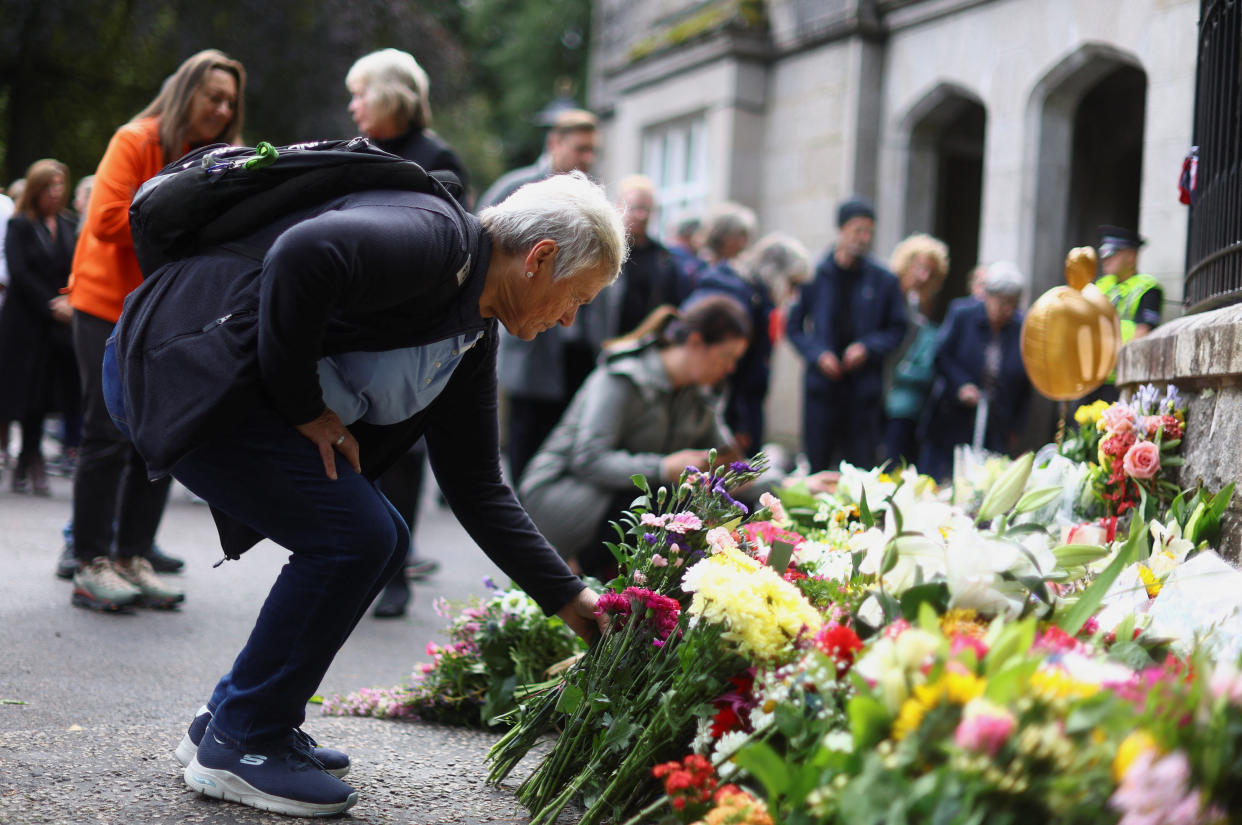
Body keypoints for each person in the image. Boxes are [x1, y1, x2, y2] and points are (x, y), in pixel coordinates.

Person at [107, 170, 624, 816]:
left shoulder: (475, 326)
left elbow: (476, 484)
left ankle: (236, 716)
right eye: (575, 297)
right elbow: (305, 254)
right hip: (177, 364)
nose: (570, 318)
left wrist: (570, 598)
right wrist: (304, 408)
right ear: (539, 258)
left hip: (217, 380)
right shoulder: (439, 243)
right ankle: (243, 742)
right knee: (357, 535)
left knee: (381, 538)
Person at [60, 49, 245, 607]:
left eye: (230, 101)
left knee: (161, 436)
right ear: (185, 92)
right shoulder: (137, 140)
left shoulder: (217, 154)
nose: (221, 107)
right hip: (105, 305)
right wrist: (192, 214)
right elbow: (109, 219)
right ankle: (91, 562)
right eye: (213, 96)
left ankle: (131, 557)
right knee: (106, 432)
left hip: (164, 313)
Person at [345, 46, 472, 617]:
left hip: (409, 325)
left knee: (400, 449)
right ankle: (358, 558)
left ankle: (395, 571)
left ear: (391, 95)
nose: (353, 106)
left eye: (360, 93)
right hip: (355, 320)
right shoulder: (358, 151)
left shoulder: (436, 158)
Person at [520, 294, 750, 578]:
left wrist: (794, 484)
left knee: (713, 502)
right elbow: (588, 459)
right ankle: (574, 579)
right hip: (561, 495)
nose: (730, 369)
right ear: (696, 343)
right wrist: (663, 467)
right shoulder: (623, 377)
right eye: (727, 357)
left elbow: (733, 463)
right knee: (657, 500)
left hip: (614, 506)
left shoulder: (699, 395)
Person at [476, 109, 601, 482]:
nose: (587, 159)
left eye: (593, 151)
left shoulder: (591, 197)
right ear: (554, 143)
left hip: (576, 351)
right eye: (581, 148)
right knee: (527, 437)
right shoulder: (517, 187)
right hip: (530, 344)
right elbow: (483, 251)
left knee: (562, 444)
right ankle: (526, 505)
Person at [786, 195, 907, 471]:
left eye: (869, 232)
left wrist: (867, 347)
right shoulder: (813, 273)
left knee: (861, 468)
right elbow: (793, 326)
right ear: (841, 230)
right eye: (857, 230)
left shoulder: (884, 279)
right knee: (818, 465)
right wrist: (817, 354)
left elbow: (898, 329)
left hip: (863, 393)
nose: (863, 238)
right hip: (822, 388)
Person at [685, 229, 810, 453]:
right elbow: (715, 371)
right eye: (792, 285)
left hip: (738, 409)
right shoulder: (735, 295)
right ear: (776, 273)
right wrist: (738, 423)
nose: (793, 295)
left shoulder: (754, 296)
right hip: (720, 414)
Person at [0, 159, 79, 495]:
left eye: (60, 185)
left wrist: (70, 300)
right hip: (24, 322)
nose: (55, 192)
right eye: (49, 186)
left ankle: (31, 458)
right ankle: (20, 457)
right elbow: (19, 271)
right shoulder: (20, 225)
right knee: (17, 390)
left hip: (54, 327)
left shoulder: (66, 224)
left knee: (43, 392)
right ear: (36, 189)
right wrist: (51, 304)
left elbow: (75, 265)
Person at [919, 262, 1031, 482]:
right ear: (987, 297)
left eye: (1013, 304)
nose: (1007, 310)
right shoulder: (962, 314)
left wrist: (1015, 425)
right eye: (1002, 302)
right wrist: (961, 385)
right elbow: (941, 356)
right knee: (943, 480)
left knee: (985, 482)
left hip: (996, 420)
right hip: (954, 416)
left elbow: (1024, 382)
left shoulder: (1021, 327)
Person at [882, 233, 949, 466]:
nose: (923, 276)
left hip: (899, 399)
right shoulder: (884, 293)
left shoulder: (917, 306)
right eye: (919, 267)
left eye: (930, 272)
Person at [1092, 224, 1162, 403]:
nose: (1105, 259)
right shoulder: (1100, 286)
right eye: (1104, 254)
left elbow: (1143, 332)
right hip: (1091, 377)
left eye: (1112, 254)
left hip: (1122, 380)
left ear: (1131, 257)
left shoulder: (1147, 287)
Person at [667, 215, 707, 301]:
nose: (704, 240)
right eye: (701, 234)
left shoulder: (666, 254)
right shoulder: (690, 263)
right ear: (689, 235)